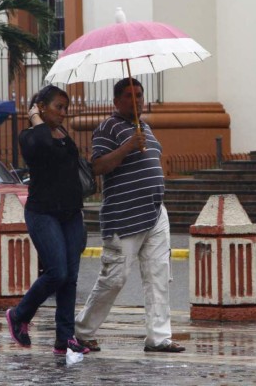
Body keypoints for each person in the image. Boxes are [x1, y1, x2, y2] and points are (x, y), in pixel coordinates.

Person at [74, 77, 185, 353]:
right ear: (116, 101)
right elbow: (97, 166)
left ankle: (159, 337)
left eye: (139, 94)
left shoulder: (144, 127)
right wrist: (126, 148)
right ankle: (82, 330)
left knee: (158, 274)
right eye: (128, 96)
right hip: (124, 216)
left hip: (155, 211)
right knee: (115, 277)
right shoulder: (107, 128)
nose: (135, 100)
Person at [5, 85, 90, 355]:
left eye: (66, 108)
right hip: (42, 213)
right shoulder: (29, 136)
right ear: (41, 106)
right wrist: (34, 119)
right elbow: (41, 146)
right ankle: (19, 315)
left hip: (71, 213)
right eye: (58, 107)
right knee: (57, 272)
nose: (64, 113)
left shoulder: (63, 133)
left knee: (71, 278)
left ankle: (65, 339)